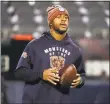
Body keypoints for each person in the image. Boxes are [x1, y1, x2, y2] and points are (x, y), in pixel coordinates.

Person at [14, 5, 86, 104]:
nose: (63, 20)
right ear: (50, 22)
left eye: (66, 18)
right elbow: (19, 72)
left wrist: (80, 81)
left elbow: (82, 75)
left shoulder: (75, 50)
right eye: (58, 17)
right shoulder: (35, 45)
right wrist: (41, 75)